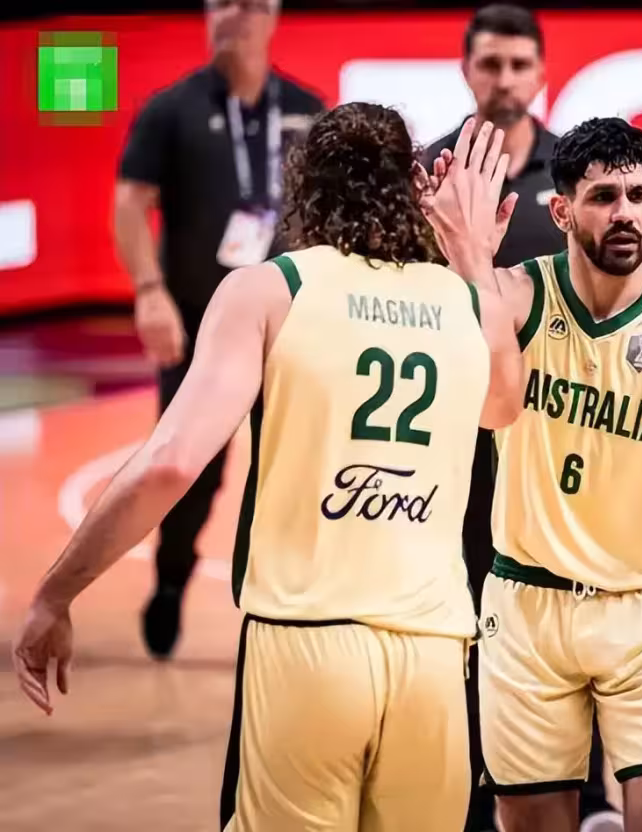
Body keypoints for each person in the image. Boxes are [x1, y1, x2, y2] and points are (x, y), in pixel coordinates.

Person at [13, 104, 524, 832]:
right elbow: (504, 407)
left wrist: (56, 592)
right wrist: (473, 259)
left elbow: (171, 464)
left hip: (306, 640)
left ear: (304, 189)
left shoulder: (271, 289)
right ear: (415, 189)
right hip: (435, 654)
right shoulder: (469, 304)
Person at [422, 116, 642, 832]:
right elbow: (482, 394)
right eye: (603, 196)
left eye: (639, 195)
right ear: (562, 212)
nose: (624, 212)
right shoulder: (516, 296)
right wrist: (466, 256)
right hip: (527, 607)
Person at [422, 6, 620, 830]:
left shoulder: (576, 174)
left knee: (580, 599)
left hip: (560, 432)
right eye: (489, 64)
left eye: (517, 65)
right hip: (461, 434)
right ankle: (478, 789)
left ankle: (593, 794)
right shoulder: (432, 172)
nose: (503, 80)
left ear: (540, 73)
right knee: (471, 607)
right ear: (466, 70)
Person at [113, 0, 324, 661]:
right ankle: (171, 577)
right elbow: (130, 202)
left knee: (299, 467)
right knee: (190, 471)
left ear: (274, 14)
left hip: (294, 328)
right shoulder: (170, 110)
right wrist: (149, 292)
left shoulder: (307, 109)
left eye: (249, 3)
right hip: (199, 329)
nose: (235, 15)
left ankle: (291, 605)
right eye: (221, 3)